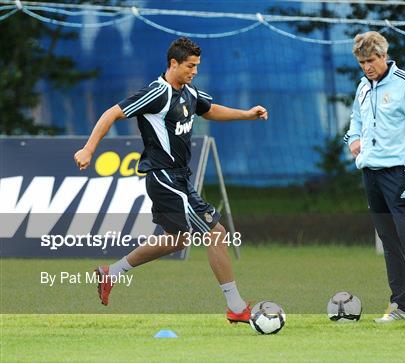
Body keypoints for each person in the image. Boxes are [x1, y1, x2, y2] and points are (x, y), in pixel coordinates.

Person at [74, 37, 268, 323]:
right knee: (216, 233)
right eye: (190, 66)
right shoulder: (156, 92)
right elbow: (112, 113)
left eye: (197, 66)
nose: (194, 71)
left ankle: (110, 273)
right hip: (163, 176)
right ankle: (236, 307)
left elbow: (210, 110)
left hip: (180, 177)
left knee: (176, 241)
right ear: (173, 64)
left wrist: (246, 114)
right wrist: (89, 148)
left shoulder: (189, 91)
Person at [344, 31, 405, 323]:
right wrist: (353, 142)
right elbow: (355, 122)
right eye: (361, 62)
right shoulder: (362, 87)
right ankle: (400, 306)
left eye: (370, 60)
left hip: (399, 174)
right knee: (389, 241)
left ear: (383, 56)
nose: (366, 67)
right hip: (370, 173)